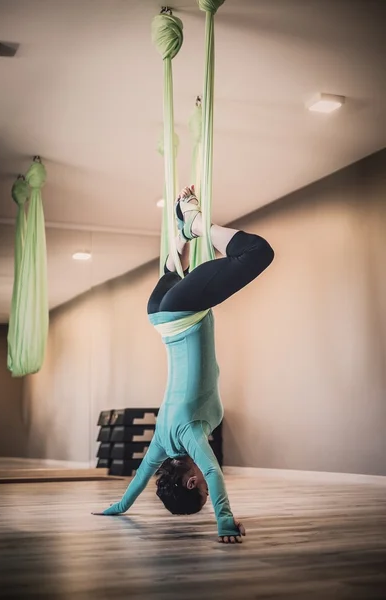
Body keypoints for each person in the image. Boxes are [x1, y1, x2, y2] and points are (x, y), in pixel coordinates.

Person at [93, 186, 274, 543]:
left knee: (258, 253)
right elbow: (137, 481)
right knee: (177, 268)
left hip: (183, 312)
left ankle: (194, 222)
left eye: (202, 493)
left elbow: (215, 473)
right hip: (158, 312)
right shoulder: (161, 441)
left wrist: (224, 520)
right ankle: (182, 229)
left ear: (192, 482)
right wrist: (118, 507)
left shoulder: (190, 437)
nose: (207, 487)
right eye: (209, 497)